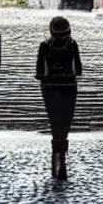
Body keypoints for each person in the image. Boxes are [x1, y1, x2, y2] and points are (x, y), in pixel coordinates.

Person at [35, 16, 82, 180]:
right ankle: (62, 160)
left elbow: (39, 72)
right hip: (69, 86)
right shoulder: (73, 44)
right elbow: (79, 69)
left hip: (51, 87)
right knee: (65, 124)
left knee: (56, 123)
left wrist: (45, 75)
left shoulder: (44, 45)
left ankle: (57, 157)